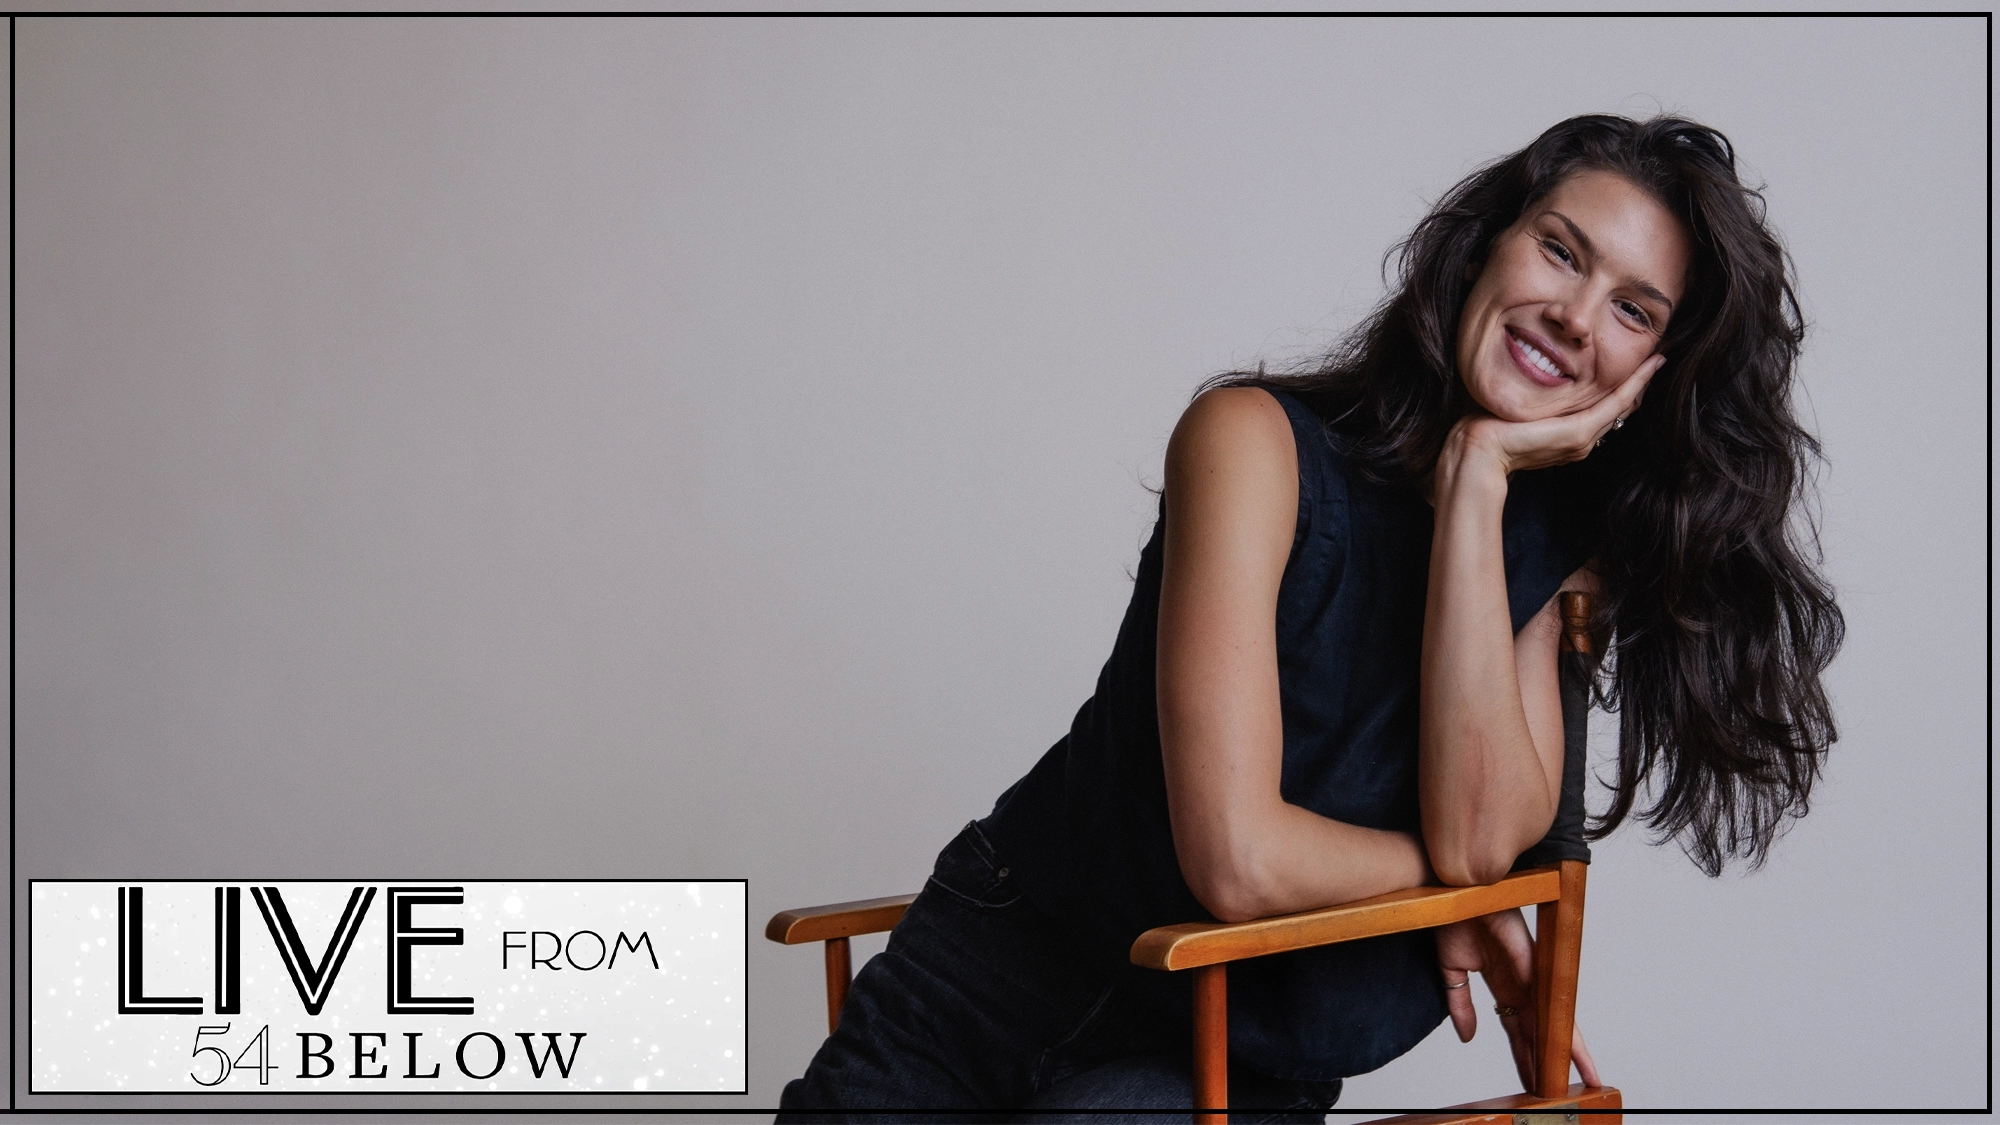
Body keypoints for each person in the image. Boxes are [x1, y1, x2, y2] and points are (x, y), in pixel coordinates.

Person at [777, 113, 1844, 1122]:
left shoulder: (1559, 562)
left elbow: (1477, 839)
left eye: (1631, 309)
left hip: (1225, 1065)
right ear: (1485, 246)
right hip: (991, 980)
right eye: (1559, 252)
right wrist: (1460, 894)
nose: (1573, 316)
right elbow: (1237, 858)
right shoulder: (1250, 442)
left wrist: (1477, 480)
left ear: (1652, 372)